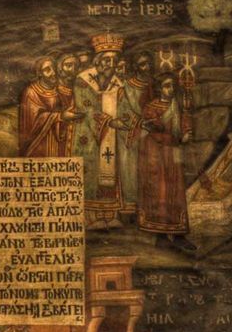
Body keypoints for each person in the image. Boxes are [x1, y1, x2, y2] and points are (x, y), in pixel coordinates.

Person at [71, 33, 127, 229]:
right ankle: (91, 218)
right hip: (87, 134)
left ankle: (109, 214)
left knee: (111, 171)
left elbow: (124, 106)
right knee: (91, 172)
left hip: (111, 135)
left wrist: (125, 120)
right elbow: (85, 107)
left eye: (114, 61)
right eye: (106, 60)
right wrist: (110, 122)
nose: (110, 65)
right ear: (97, 60)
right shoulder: (83, 80)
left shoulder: (118, 83)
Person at [137, 73, 196, 251]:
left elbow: (185, 124)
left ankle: (179, 235)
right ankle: (160, 236)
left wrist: (187, 132)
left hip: (173, 154)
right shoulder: (151, 108)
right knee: (160, 192)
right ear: (159, 88)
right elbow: (155, 130)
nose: (170, 89)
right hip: (156, 155)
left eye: (172, 86)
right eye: (166, 86)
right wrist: (174, 137)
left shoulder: (177, 105)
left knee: (176, 192)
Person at [18, 56, 81, 157]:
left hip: (58, 143)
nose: (53, 73)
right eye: (47, 70)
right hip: (39, 144)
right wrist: (60, 116)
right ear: (39, 73)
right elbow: (33, 121)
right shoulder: (31, 92)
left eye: (54, 68)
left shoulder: (59, 89)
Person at [118, 51, 154, 215]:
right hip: (132, 134)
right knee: (130, 167)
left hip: (152, 132)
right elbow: (123, 111)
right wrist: (140, 124)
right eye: (142, 64)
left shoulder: (154, 84)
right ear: (136, 67)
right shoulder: (127, 86)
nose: (147, 67)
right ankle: (131, 204)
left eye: (148, 63)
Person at [55, 52, 80, 156]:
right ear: (59, 68)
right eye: (68, 65)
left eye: (76, 66)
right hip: (57, 142)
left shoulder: (80, 90)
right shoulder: (52, 91)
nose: (73, 70)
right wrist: (61, 116)